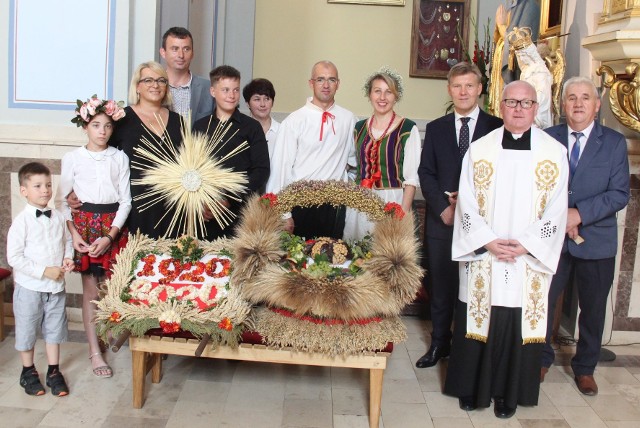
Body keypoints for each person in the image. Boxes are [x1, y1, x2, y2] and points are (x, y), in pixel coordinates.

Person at [444, 81, 568, 419]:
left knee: (517, 324)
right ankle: (472, 389)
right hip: (487, 256)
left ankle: (509, 396)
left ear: (535, 107)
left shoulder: (553, 152)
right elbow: (466, 202)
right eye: (511, 102)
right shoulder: (480, 149)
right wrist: (486, 240)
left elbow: (557, 209)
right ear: (501, 106)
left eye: (525, 103)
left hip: (526, 260)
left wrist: (527, 243)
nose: (518, 109)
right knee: (478, 321)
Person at [541, 76, 630, 395]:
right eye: (571, 98)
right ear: (563, 105)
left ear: (596, 105)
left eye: (585, 98)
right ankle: (539, 358)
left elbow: (620, 194)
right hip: (552, 240)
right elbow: (536, 186)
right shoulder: (547, 139)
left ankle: (585, 367)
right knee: (544, 301)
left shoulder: (614, 143)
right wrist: (561, 215)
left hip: (597, 241)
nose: (578, 103)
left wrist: (579, 214)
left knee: (592, 309)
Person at [416, 62, 503, 369]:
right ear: (449, 90)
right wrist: (443, 207)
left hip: (482, 224)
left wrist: (469, 204)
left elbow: (503, 176)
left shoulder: (496, 128)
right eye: (457, 86)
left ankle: (470, 350)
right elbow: (425, 172)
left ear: (480, 89)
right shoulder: (437, 128)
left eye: (469, 86)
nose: (463, 92)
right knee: (441, 286)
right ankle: (440, 343)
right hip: (443, 222)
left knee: (476, 287)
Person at [57, 96, 131, 379]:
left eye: (108, 126)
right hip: (85, 227)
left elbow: (126, 201)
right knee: (91, 292)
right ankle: (94, 351)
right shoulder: (73, 158)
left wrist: (111, 236)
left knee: (113, 288)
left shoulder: (119, 157)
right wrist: (74, 233)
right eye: (96, 125)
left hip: (112, 226)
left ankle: (110, 332)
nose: (102, 131)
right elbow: (63, 201)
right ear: (86, 126)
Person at [266, 60, 356, 239]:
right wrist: (284, 213)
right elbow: (281, 168)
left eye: (331, 80)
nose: (326, 85)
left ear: (338, 84)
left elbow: (354, 162)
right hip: (301, 203)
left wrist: (345, 184)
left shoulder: (348, 119)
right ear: (311, 83)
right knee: (299, 262)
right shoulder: (294, 120)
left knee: (333, 261)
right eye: (320, 79)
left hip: (334, 205)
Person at [7, 162, 74, 397]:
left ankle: (54, 371)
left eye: (48, 185)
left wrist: (67, 258)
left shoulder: (57, 217)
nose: (45, 190)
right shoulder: (21, 222)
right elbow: (14, 257)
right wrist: (44, 271)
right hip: (29, 287)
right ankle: (28, 371)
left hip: (55, 288)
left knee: (54, 329)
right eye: (37, 186)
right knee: (27, 329)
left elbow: (66, 241)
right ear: (24, 191)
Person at [343, 66, 420, 241]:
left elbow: (411, 180)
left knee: (386, 256)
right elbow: (352, 167)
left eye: (388, 92)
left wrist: (402, 215)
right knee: (357, 257)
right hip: (360, 203)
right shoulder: (358, 127)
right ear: (369, 95)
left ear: (396, 96)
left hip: (392, 201)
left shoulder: (407, 129)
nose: (382, 98)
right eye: (377, 91)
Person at [193, 65, 270, 240]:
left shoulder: (252, 128)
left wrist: (229, 199)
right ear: (213, 91)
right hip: (206, 214)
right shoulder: (200, 127)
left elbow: (261, 171)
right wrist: (201, 203)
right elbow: (191, 169)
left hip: (241, 215)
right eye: (225, 90)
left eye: (235, 90)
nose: (231, 95)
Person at [109, 61, 184, 239]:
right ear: (137, 87)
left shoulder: (178, 120)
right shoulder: (122, 119)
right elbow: (105, 159)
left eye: (161, 80)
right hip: (136, 204)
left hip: (172, 204)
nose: (155, 85)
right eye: (148, 80)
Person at [160, 27, 214, 125]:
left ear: (192, 53)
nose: (181, 55)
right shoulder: (153, 87)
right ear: (163, 52)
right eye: (175, 49)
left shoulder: (208, 88)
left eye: (186, 49)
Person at [242, 78, 280, 158]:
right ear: (247, 103)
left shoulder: (282, 131)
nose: (262, 104)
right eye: (257, 99)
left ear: (272, 102)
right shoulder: (241, 132)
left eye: (267, 99)